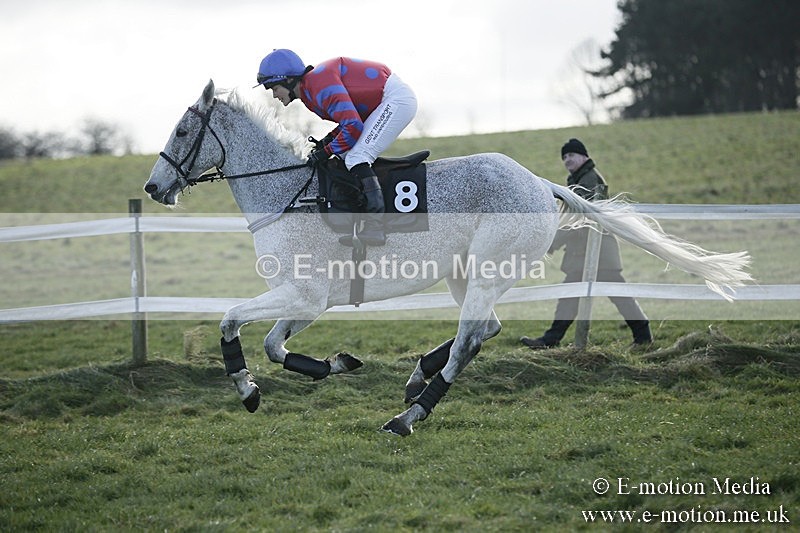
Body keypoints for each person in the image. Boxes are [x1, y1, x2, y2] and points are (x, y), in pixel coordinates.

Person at [255, 49, 418, 246]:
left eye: (274, 88)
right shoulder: (310, 90)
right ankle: (356, 220)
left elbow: (353, 126)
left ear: (288, 80)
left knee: (357, 157)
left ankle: (376, 226)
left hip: (395, 100)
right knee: (343, 157)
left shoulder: (318, 85)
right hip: (380, 103)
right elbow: (348, 121)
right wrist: (327, 141)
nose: (274, 96)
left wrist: (326, 151)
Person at [520, 138, 652, 349]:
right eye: (564, 157)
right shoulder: (580, 180)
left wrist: (551, 242)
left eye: (571, 155)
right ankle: (550, 339)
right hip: (584, 253)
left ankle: (643, 335)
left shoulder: (590, 180)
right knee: (572, 297)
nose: (567, 160)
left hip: (596, 253)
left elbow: (580, 218)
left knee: (616, 295)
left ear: (584, 156)